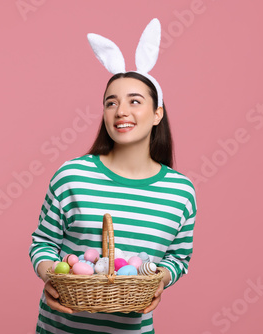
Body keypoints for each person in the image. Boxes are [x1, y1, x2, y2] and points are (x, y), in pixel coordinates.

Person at [29, 20, 197, 333]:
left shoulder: (180, 192)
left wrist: (160, 277)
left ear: (157, 112)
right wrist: (52, 275)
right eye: (111, 102)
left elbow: (179, 257)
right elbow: (43, 243)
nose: (121, 111)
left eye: (135, 101)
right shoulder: (72, 176)